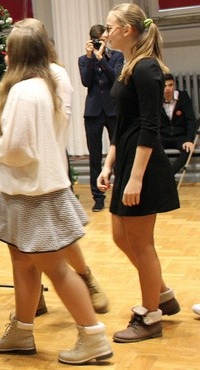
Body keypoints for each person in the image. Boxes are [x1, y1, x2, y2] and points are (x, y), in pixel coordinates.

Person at [0, 25, 112, 365]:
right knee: (23, 264)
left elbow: (20, 149)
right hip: (29, 189)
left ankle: (93, 336)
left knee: (57, 269)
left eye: (8, 50)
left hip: (32, 192)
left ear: (17, 55)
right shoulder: (48, 84)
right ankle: (22, 330)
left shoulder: (25, 92)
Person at [97, 3, 181, 343]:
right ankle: (162, 294)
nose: (104, 33)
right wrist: (109, 164)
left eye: (109, 27)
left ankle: (150, 318)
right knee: (121, 236)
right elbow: (124, 125)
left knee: (142, 243)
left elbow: (150, 127)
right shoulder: (128, 66)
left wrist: (135, 177)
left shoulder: (147, 68)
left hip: (143, 166)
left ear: (127, 30)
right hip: (128, 160)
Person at [14, 18, 110, 315]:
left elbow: (57, 123)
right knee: (23, 244)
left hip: (48, 169)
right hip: (22, 175)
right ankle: (33, 300)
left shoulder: (56, 75)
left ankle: (86, 279)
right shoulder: (16, 76)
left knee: (61, 238)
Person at [78, 24, 124, 212]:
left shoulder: (117, 57)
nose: (100, 43)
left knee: (119, 153)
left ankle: (120, 193)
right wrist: (90, 58)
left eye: (103, 40)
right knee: (94, 157)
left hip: (113, 110)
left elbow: (116, 78)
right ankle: (98, 198)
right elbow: (86, 81)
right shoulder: (84, 59)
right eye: (97, 40)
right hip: (93, 112)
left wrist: (101, 59)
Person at [160, 73, 197, 174]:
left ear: (174, 85)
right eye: (164, 86)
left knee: (188, 150)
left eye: (170, 85)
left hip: (180, 137)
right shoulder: (156, 101)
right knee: (149, 150)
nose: (167, 89)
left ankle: (169, 176)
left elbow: (191, 120)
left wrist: (190, 140)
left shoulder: (183, 97)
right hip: (163, 137)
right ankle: (164, 178)